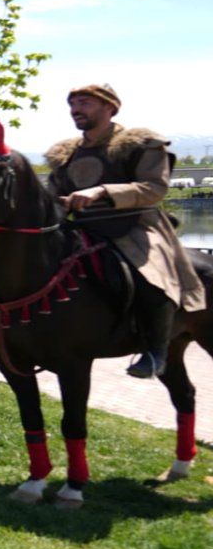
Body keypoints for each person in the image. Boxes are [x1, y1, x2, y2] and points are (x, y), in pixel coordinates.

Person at [47, 84, 206, 379]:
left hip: (135, 225)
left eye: (85, 102)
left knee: (152, 278)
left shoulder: (141, 144)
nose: (75, 109)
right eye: (72, 103)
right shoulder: (65, 155)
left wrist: (102, 191)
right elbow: (53, 196)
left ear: (110, 107)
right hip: (81, 227)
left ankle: (156, 351)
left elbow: (155, 188)